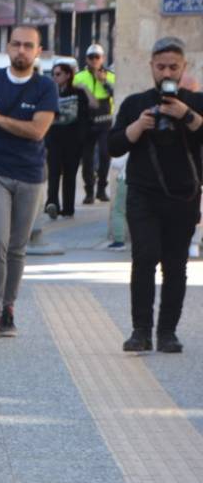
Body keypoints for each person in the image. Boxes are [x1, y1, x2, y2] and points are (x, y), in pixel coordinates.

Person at [108, 36, 203, 354]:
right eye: (160, 66)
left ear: (183, 67)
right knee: (144, 258)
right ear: (151, 66)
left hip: (184, 196)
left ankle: (167, 332)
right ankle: (140, 331)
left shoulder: (195, 102)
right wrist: (137, 127)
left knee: (175, 265)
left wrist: (186, 116)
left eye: (173, 67)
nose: (167, 73)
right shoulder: (136, 103)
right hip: (143, 194)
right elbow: (112, 145)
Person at [0, 25, 59, 338]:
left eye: (28, 46)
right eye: (16, 44)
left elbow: (38, 130)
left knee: (17, 249)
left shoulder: (45, 87)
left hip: (30, 174)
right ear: (7, 48)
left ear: (38, 51)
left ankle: (8, 307)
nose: (21, 50)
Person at [45, 58, 95, 219]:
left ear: (67, 75)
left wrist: (86, 88)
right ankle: (52, 203)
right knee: (53, 172)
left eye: (58, 74)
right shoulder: (50, 93)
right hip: (54, 139)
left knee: (69, 175)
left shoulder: (78, 93)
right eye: (53, 74)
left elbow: (93, 105)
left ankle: (68, 208)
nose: (55, 77)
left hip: (73, 140)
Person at [73, 43, 117, 204]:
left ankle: (101, 189)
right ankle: (89, 191)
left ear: (102, 58)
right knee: (87, 158)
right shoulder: (78, 77)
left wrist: (104, 82)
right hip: (86, 121)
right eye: (91, 57)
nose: (94, 60)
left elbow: (117, 94)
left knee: (105, 154)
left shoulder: (110, 76)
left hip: (105, 121)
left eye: (97, 57)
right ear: (86, 59)